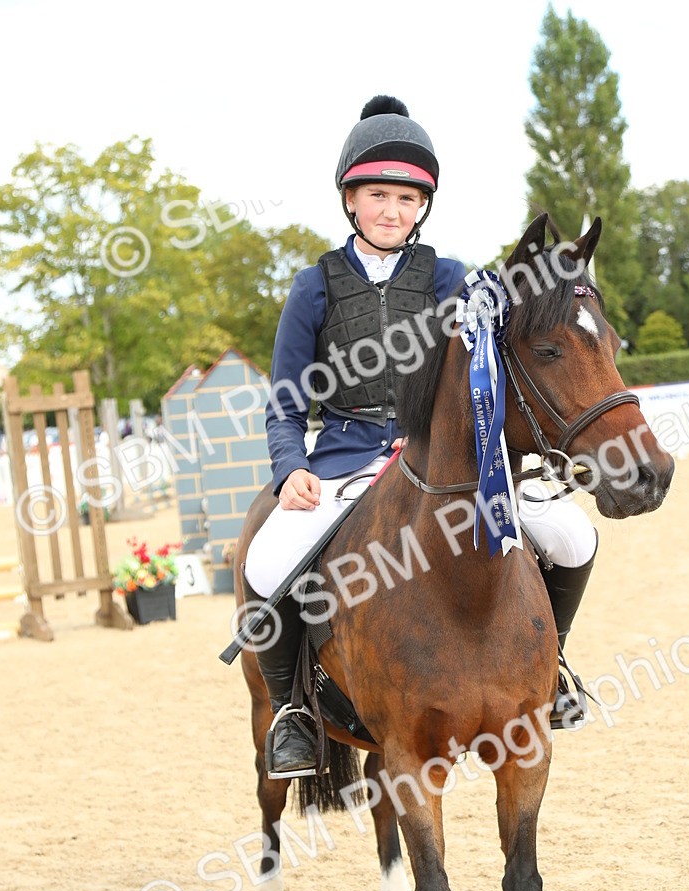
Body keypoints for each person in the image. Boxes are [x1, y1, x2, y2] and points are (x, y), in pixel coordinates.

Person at [242, 95, 598, 779]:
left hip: (443, 460)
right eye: (378, 195)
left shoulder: (450, 278)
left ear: (423, 206)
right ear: (351, 200)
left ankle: (549, 668)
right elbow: (285, 401)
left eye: (407, 199)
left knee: (572, 536)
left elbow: (504, 355)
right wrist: (290, 468)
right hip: (345, 459)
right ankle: (292, 711)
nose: (392, 211)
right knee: (266, 561)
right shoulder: (314, 287)